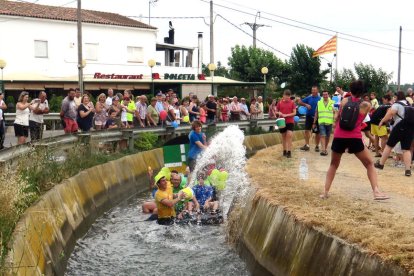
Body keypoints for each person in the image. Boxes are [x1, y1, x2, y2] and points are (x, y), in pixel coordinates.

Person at [321, 80, 389, 200]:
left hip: (339, 136)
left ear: (351, 89)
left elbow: (338, 118)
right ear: (363, 91)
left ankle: (325, 192)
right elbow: (362, 118)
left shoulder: (344, 101)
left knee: (333, 164)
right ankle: (376, 192)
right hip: (354, 137)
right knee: (369, 164)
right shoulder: (366, 105)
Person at [375, 91, 414, 176]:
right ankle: (408, 170)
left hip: (399, 127)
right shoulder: (408, 104)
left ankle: (381, 164)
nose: (393, 98)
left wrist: (382, 121)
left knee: (389, 145)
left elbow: (390, 113)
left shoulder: (396, 104)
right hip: (410, 128)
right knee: (406, 149)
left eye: (394, 97)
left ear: (397, 97)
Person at [298, 86, 321, 152]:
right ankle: (307, 145)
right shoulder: (309, 98)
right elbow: (300, 102)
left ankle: (317, 146)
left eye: (314, 90)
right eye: (312, 90)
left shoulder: (320, 99)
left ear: (317, 91)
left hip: (317, 117)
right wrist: (306, 105)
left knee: (317, 132)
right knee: (306, 130)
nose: (313, 91)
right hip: (308, 116)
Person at [313, 90, 335, 156]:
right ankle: (323, 150)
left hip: (329, 122)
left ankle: (325, 148)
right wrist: (314, 122)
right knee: (323, 135)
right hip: (321, 122)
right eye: (324, 95)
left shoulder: (332, 103)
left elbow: (335, 112)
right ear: (322, 95)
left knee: (327, 137)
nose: (325, 96)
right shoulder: (319, 103)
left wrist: (334, 121)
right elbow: (316, 113)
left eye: (326, 94)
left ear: (328, 95)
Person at [276, 89, 296, 158]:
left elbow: (294, 112)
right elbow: (276, 111)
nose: (287, 97)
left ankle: (289, 151)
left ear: (290, 96)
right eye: (286, 96)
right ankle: (284, 150)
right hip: (281, 121)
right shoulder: (280, 103)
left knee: (289, 135)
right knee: (283, 136)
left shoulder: (292, 103)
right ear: (283, 95)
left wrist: (287, 115)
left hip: (290, 121)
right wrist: (279, 113)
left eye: (288, 96)